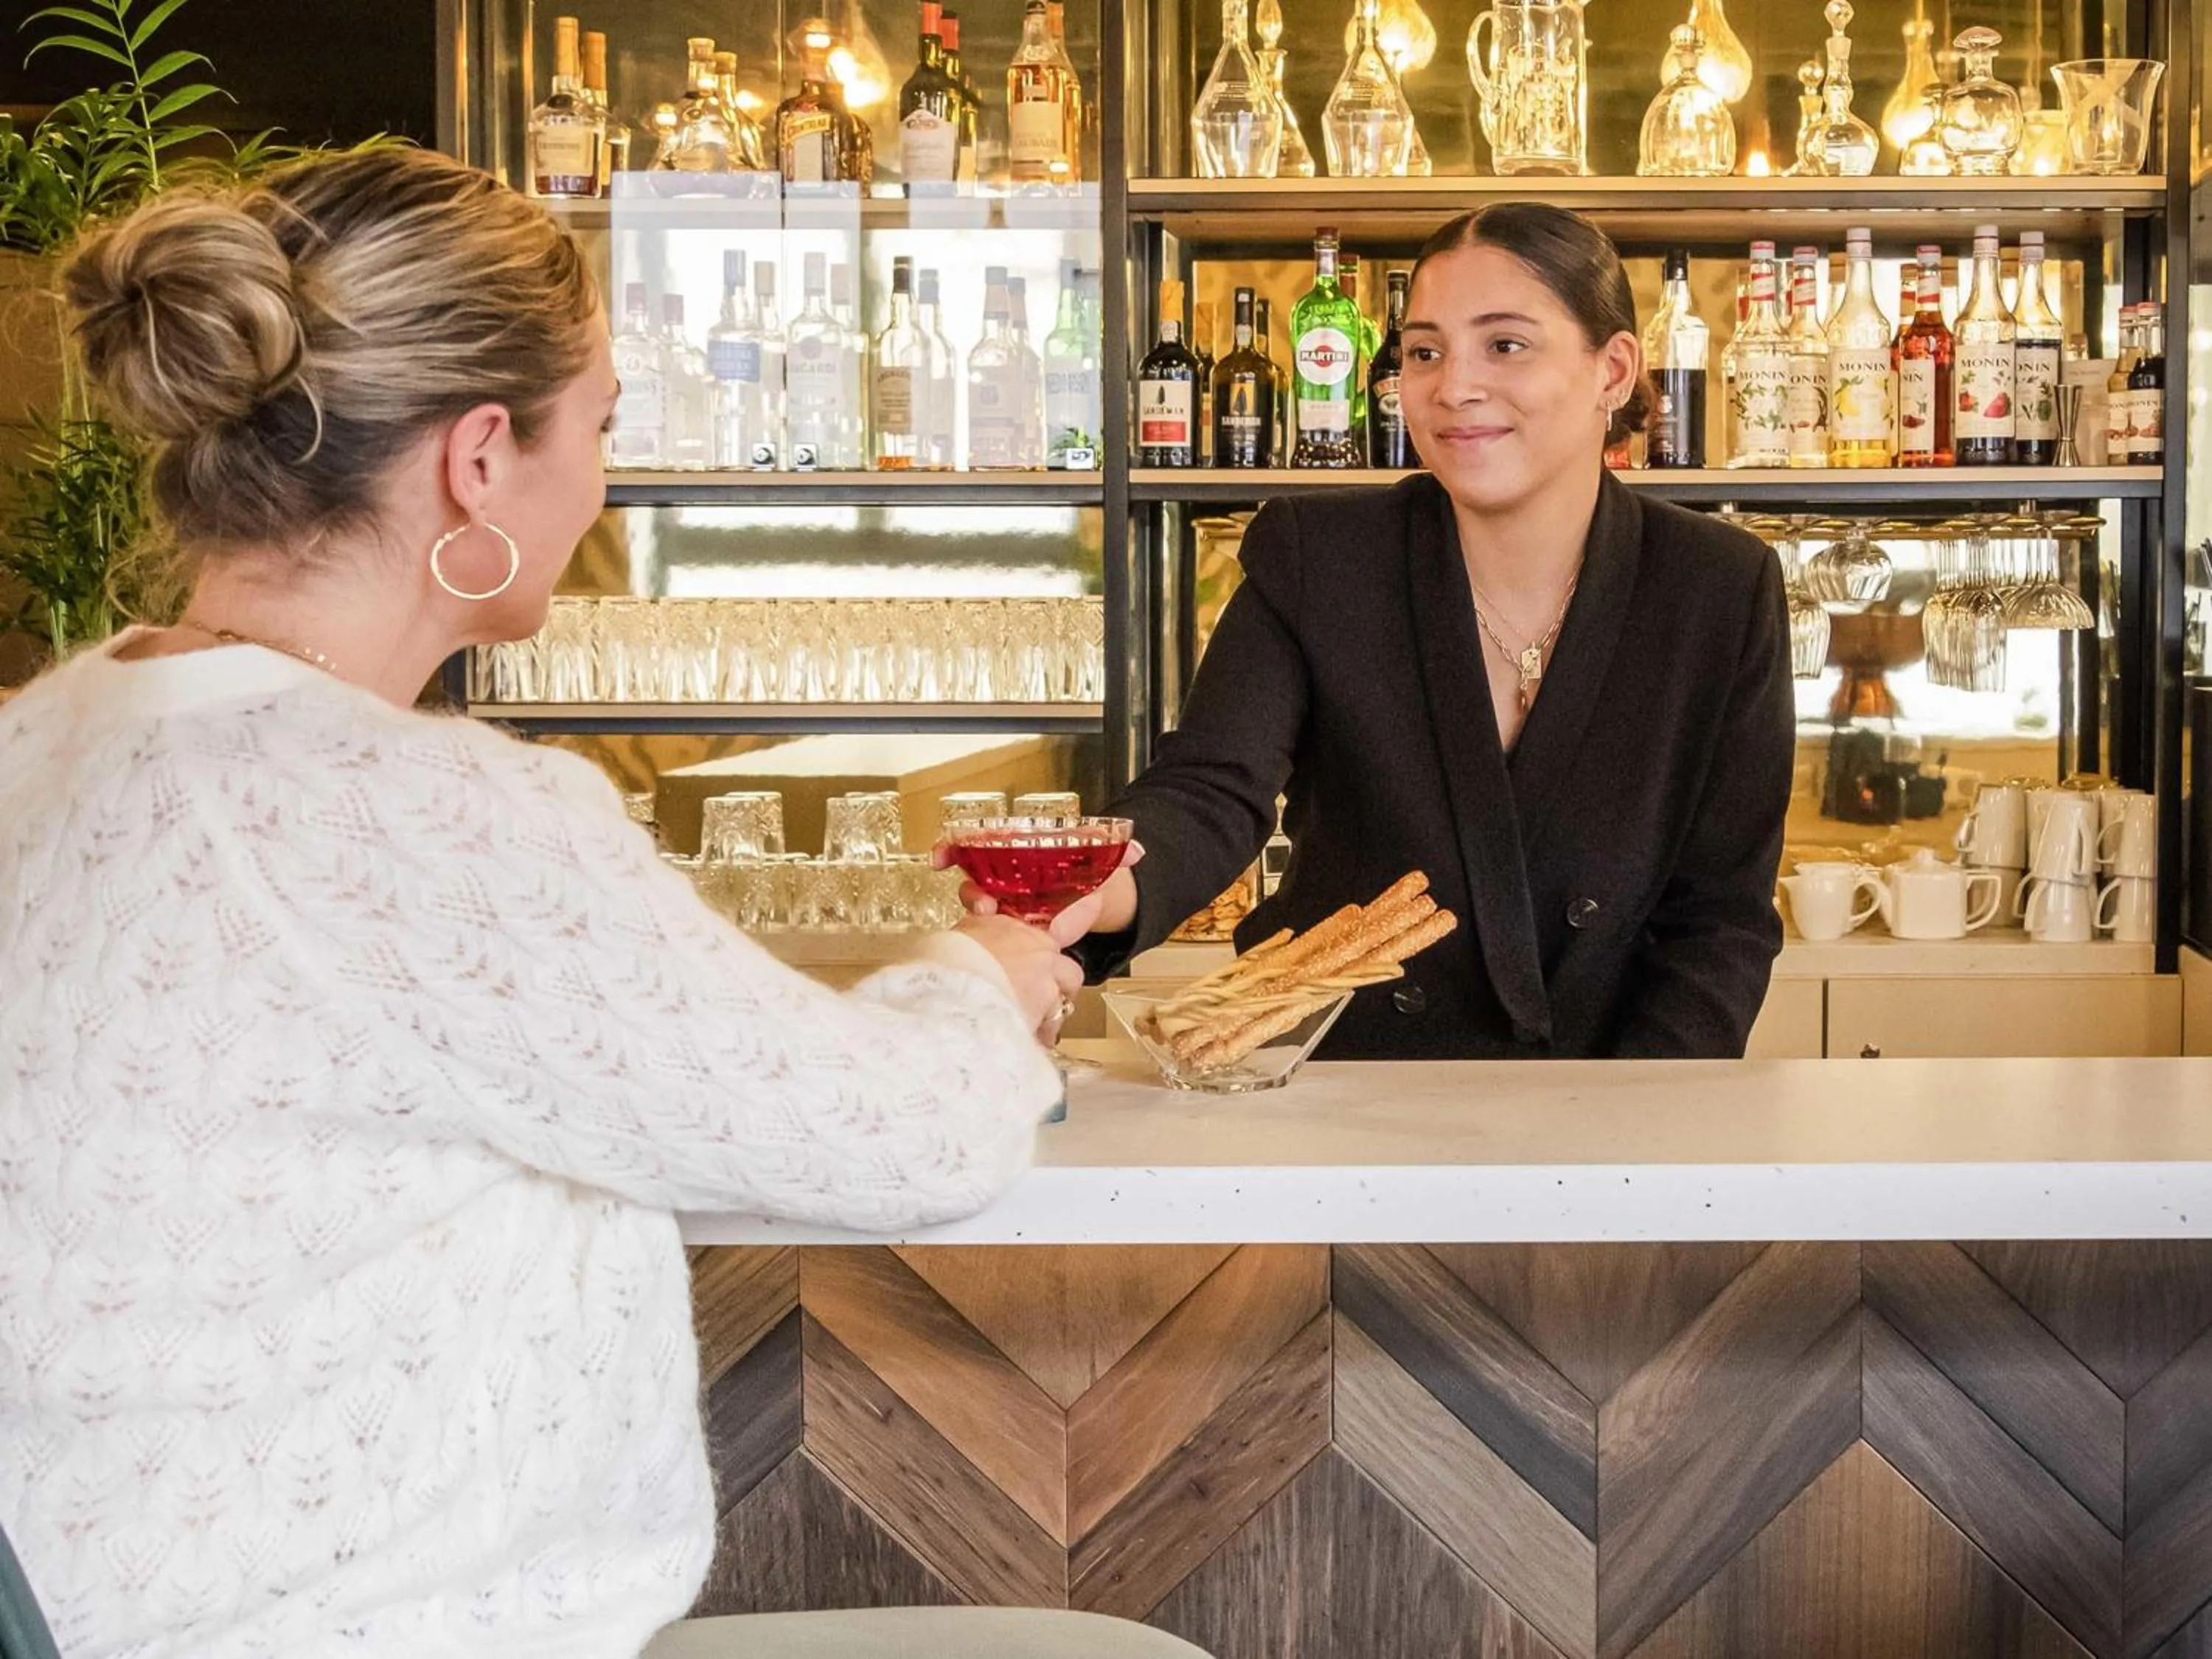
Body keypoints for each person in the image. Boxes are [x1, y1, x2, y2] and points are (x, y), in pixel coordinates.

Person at [0, 147, 1100, 1659]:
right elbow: (903, 1135)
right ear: (476, 461)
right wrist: (987, 974)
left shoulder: (40, 738)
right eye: (599, 426)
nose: (607, 480)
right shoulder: (419, 813)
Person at [1065, 204, 1795, 1059]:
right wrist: (1083, 892)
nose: (1453, 387)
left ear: (1614, 369)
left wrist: (1635, 1120)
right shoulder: (1321, 558)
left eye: (1506, 345)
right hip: (1353, 1096)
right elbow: (1208, 791)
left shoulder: (1717, 587)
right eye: (1424, 352)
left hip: (1610, 1097)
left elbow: (1720, 916)